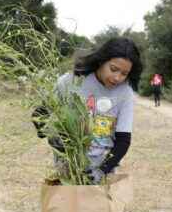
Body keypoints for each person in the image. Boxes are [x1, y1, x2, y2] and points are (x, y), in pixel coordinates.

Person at [32, 37, 143, 183]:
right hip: (69, 168)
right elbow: (39, 115)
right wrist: (53, 137)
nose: (117, 78)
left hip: (102, 171)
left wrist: (101, 171)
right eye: (114, 69)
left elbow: (123, 140)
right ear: (102, 60)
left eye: (124, 74)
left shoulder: (125, 93)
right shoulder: (71, 81)